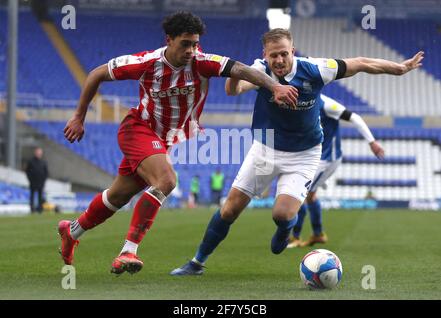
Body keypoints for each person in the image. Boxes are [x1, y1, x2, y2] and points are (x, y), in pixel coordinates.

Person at [58, 12, 299, 275]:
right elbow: (95, 74)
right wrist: (79, 117)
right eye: (185, 44)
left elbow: (240, 69)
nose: (191, 50)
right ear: (169, 40)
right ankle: (128, 250)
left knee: (117, 196)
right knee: (166, 181)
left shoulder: (201, 62)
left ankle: (72, 231)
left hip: (163, 140)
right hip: (138, 129)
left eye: (195, 44)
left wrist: (274, 87)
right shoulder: (146, 62)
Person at [171, 28, 423, 275]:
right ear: (265, 55)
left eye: (284, 54)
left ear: (292, 51)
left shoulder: (315, 69)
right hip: (266, 149)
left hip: (304, 154)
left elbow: (360, 63)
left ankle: (284, 229)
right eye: (273, 56)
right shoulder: (260, 70)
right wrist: (239, 71)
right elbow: (232, 90)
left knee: (282, 214)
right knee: (229, 209)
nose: (279, 60)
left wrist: (399, 69)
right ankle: (197, 262)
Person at [287, 94, 385, 248]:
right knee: (310, 195)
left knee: (300, 192)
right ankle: (318, 234)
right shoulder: (301, 100)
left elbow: (355, 118)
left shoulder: (326, 104)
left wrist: (372, 142)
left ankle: (295, 237)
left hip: (327, 158)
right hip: (313, 156)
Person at [25, 147, 48, 214]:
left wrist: (43, 180)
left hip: (41, 183)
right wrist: (30, 179)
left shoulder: (43, 162)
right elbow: (27, 171)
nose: (38, 154)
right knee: (32, 196)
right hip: (33, 182)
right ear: (35, 153)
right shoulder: (30, 161)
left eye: (40, 153)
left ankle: (40, 210)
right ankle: (32, 210)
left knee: (40, 196)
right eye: (37, 152)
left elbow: (46, 172)